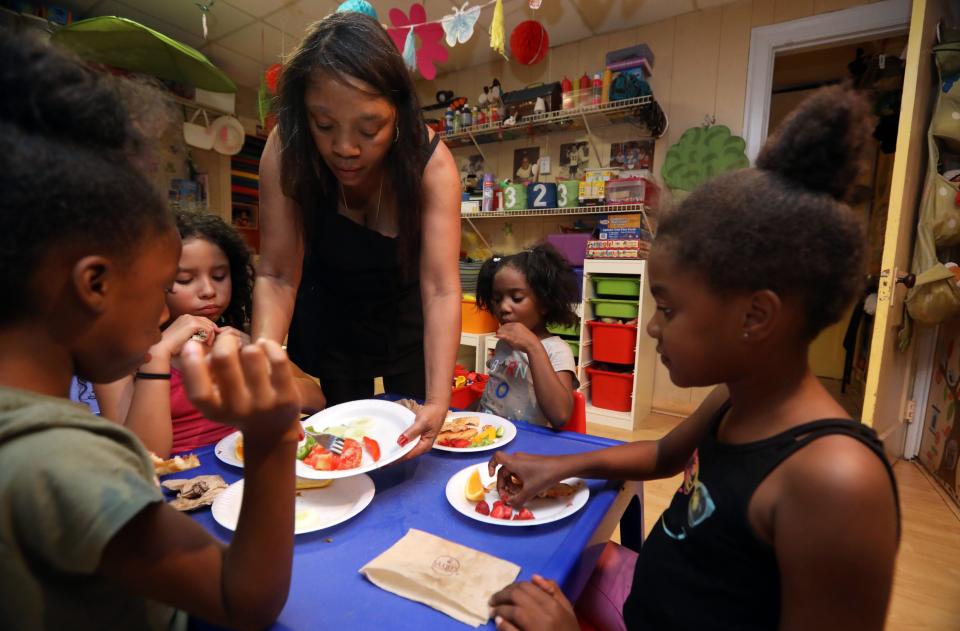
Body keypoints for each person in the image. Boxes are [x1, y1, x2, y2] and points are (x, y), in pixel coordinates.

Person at [486, 87, 900, 631]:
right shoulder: (737, 397)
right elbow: (661, 455)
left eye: (668, 308)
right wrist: (557, 465)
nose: (653, 327)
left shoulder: (838, 484)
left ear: (755, 317)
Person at [0, 32, 299, 629]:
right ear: (95, 285)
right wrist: (270, 440)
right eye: (164, 282)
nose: (169, 310)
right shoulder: (64, 458)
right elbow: (246, 600)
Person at [254, 11, 461, 459]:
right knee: (340, 443)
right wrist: (263, 371)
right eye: (324, 125)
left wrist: (440, 401)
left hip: (406, 317)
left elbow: (442, 289)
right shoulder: (287, 149)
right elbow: (275, 274)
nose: (345, 148)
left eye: (370, 129)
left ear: (400, 115)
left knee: (414, 443)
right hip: (330, 313)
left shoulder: (430, 162)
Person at [95, 211, 326, 457]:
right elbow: (139, 458)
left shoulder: (233, 339)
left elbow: (317, 400)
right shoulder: (117, 356)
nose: (208, 290)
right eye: (184, 279)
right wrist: (159, 354)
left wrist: (264, 374)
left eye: (219, 276)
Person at [474, 245, 580, 429]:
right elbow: (490, 399)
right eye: (497, 299)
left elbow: (560, 415)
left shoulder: (557, 350)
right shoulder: (504, 344)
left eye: (516, 298)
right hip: (488, 434)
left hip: (526, 444)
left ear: (544, 303)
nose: (504, 308)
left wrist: (533, 346)